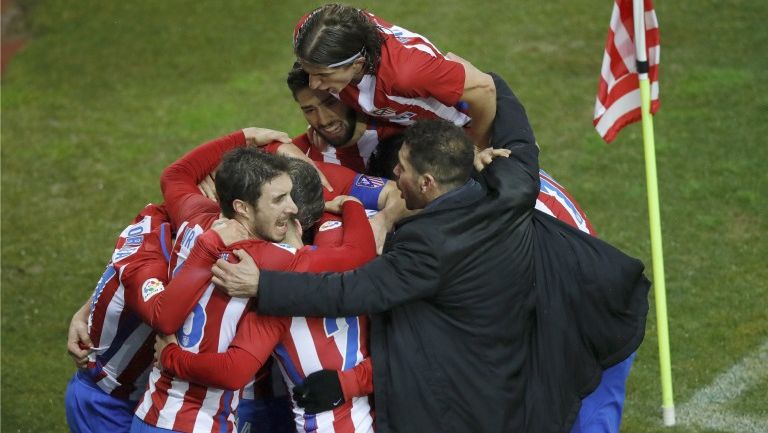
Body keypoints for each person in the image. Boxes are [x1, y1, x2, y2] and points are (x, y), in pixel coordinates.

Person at [210, 74, 650, 433]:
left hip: (594, 318)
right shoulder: (509, 179)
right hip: (567, 305)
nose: (391, 180)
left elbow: (353, 290)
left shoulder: (432, 247)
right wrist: (465, 75)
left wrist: (262, 283)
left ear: (427, 185)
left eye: (400, 171)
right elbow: (501, 96)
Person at [293, 4, 496, 147]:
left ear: (357, 64)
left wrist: (476, 146)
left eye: (322, 75)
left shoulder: (406, 75)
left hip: (467, 122)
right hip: (412, 125)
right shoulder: (313, 34)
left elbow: (484, 90)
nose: (314, 83)